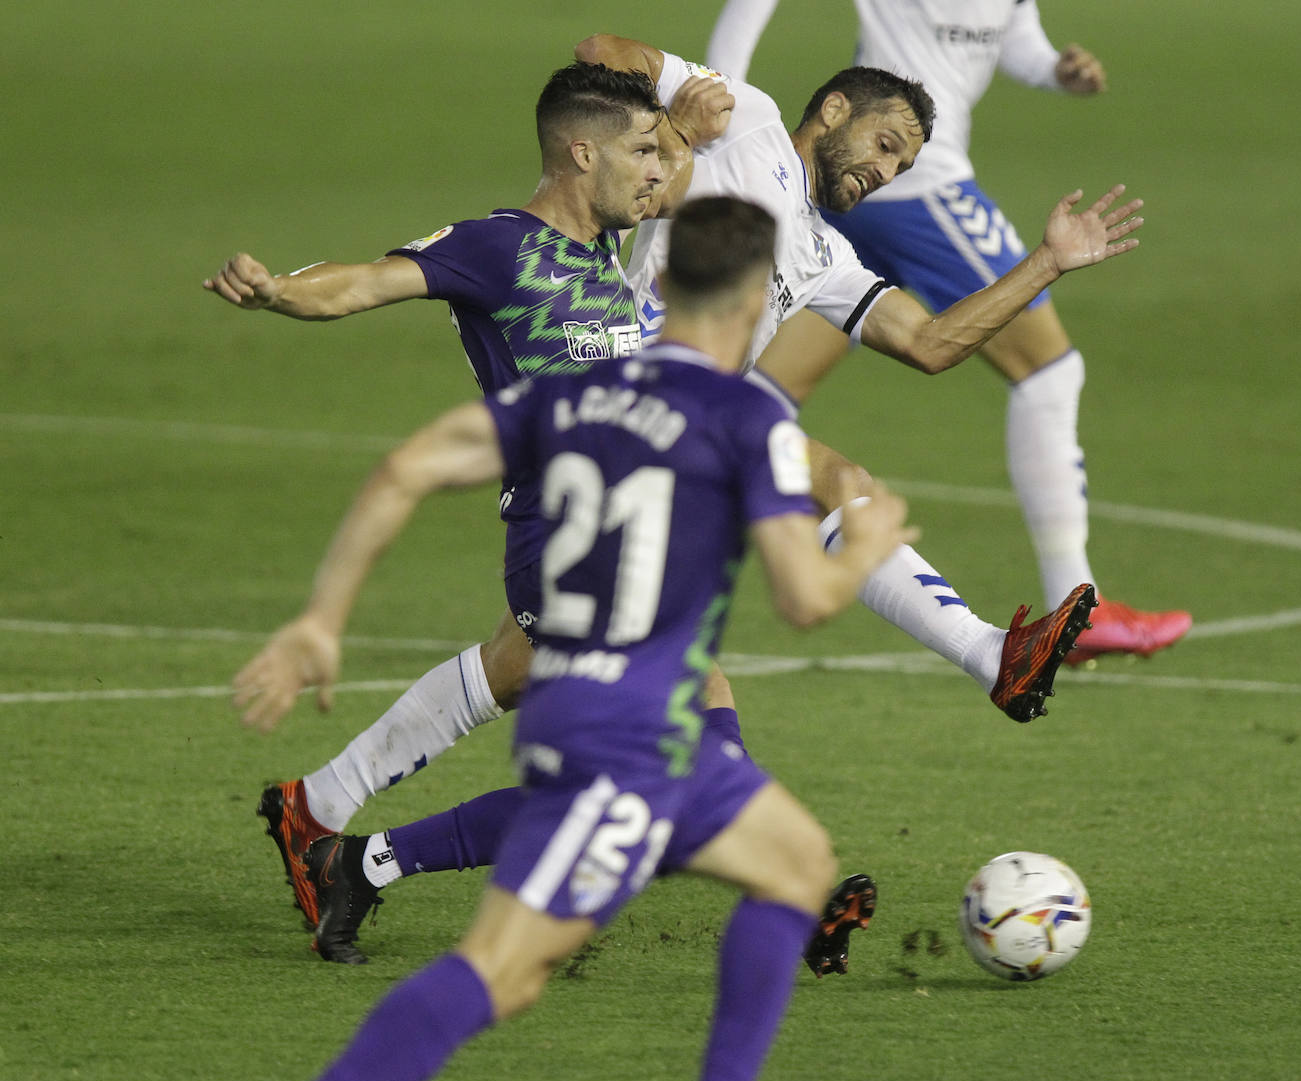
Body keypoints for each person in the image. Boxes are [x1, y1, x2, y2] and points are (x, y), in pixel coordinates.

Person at [215, 49, 1105, 948]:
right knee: (646, 769)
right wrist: (278, 292)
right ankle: (794, 879)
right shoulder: (655, 169)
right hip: (579, 522)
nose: (660, 173)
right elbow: (374, 278)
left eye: (906, 166)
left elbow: (936, 341)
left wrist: (1048, 263)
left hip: (660, 490)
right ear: (831, 111)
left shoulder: (715, 253)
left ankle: (323, 816)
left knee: (654, 728)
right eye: (885, 144)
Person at [286, 195, 914, 1081]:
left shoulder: (565, 394)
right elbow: (806, 599)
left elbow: (407, 469)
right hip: (625, 736)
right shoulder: (746, 419)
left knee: (797, 866)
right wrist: (863, 547)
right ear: (749, 310)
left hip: (606, 702)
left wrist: (321, 617)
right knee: (500, 969)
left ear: (657, 281)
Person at [704, 0, 1192, 662]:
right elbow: (609, 54)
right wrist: (721, 90)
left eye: (893, 159)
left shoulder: (836, 227)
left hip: (852, 207)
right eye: (883, 149)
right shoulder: (750, 142)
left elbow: (928, 343)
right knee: (1049, 368)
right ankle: (1080, 597)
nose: (884, 164)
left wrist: (1053, 70)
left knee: (772, 408)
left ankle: (686, 483)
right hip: (922, 191)